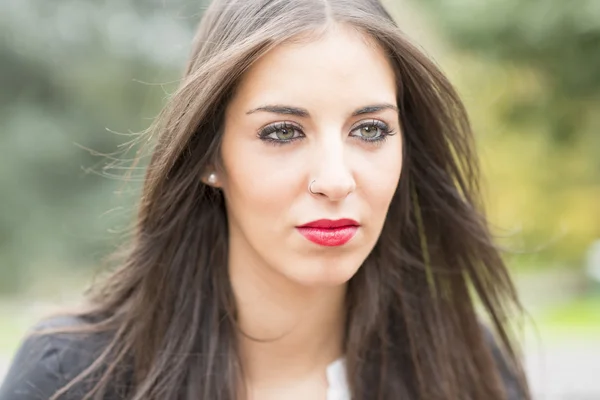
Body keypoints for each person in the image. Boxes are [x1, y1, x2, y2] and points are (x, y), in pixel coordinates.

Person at [0, 0, 531, 399]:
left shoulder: (466, 367)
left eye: (370, 129)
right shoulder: (69, 377)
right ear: (211, 154)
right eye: (282, 132)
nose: (335, 179)